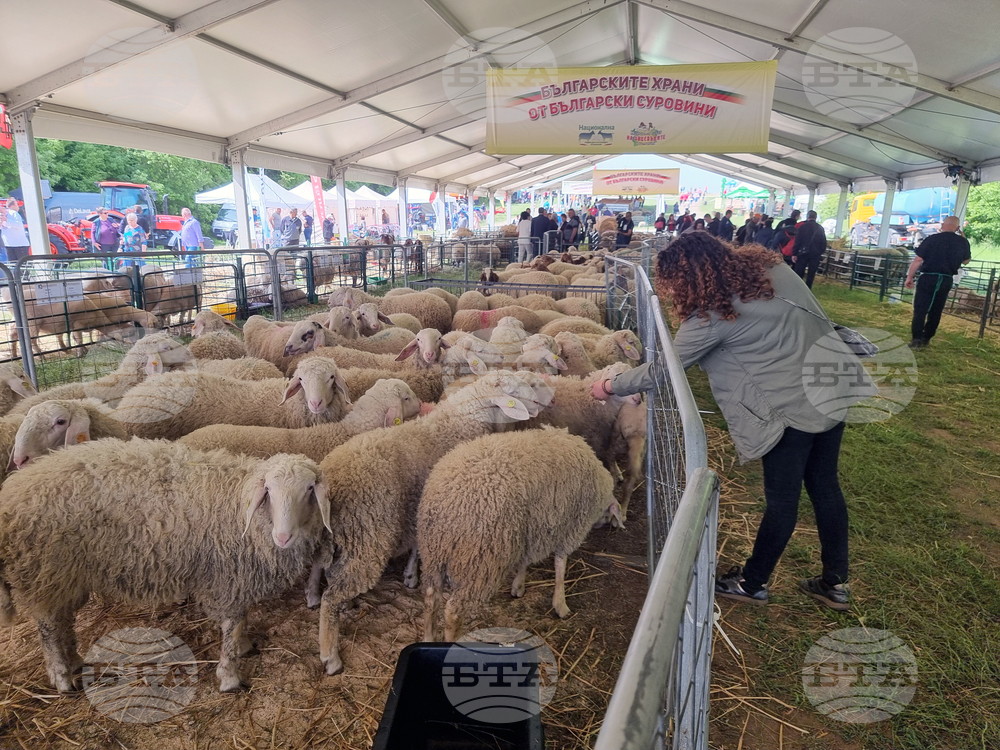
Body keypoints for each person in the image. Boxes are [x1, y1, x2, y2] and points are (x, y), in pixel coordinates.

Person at [591, 232, 876, 610]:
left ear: (685, 278)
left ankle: (752, 582)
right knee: (825, 486)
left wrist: (609, 385)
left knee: (782, 500)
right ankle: (835, 582)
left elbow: (663, 369)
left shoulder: (711, 314)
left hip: (789, 410)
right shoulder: (774, 270)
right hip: (831, 388)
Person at [904, 215, 971, 349]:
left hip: (928, 277)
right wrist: (963, 238)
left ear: (942, 225)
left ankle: (916, 339)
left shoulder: (931, 239)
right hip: (946, 279)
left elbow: (918, 260)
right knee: (936, 309)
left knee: (920, 309)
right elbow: (966, 261)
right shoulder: (963, 242)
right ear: (957, 228)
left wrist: (909, 277)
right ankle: (926, 338)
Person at [792, 210, 827, 288]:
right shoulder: (820, 228)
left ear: (808, 216)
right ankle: (808, 288)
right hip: (815, 254)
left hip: (802, 253)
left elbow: (797, 241)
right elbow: (823, 243)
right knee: (811, 273)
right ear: (816, 217)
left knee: (799, 272)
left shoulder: (802, 227)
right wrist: (820, 252)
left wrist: (794, 253)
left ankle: (799, 287)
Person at [1, 198, 31, 263]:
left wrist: (6, 220)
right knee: (12, 265)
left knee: (23, 265)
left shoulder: (13, 213)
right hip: (8, 245)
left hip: (20, 245)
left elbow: (19, 225)